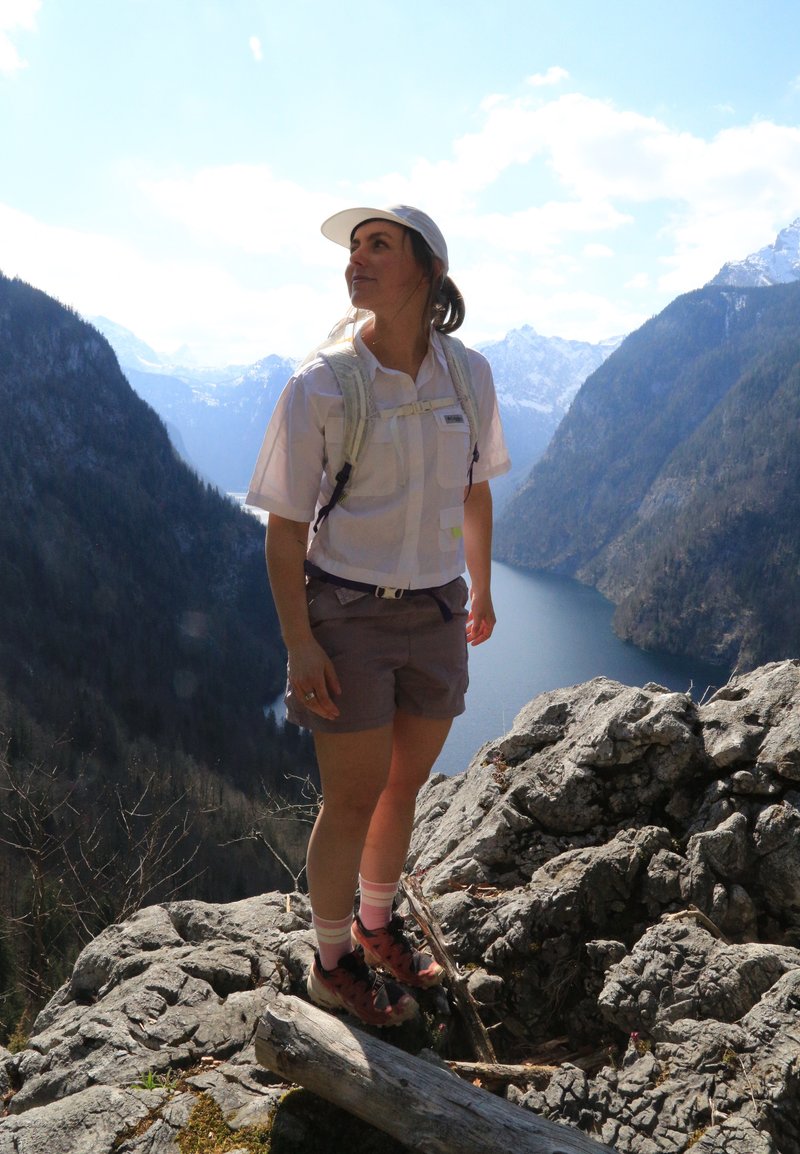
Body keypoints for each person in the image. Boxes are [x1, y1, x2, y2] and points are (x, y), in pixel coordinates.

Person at [246, 204, 510, 1027]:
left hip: (436, 611)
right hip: (349, 616)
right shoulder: (321, 383)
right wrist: (300, 641)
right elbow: (285, 531)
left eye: (378, 246)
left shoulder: (469, 375)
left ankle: (376, 920)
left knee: (404, 785)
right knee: (352, 798)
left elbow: (474, 488)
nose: (356, 260)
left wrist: (483, 587)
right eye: (354, 248)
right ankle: (332, 961)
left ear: (426, 271)